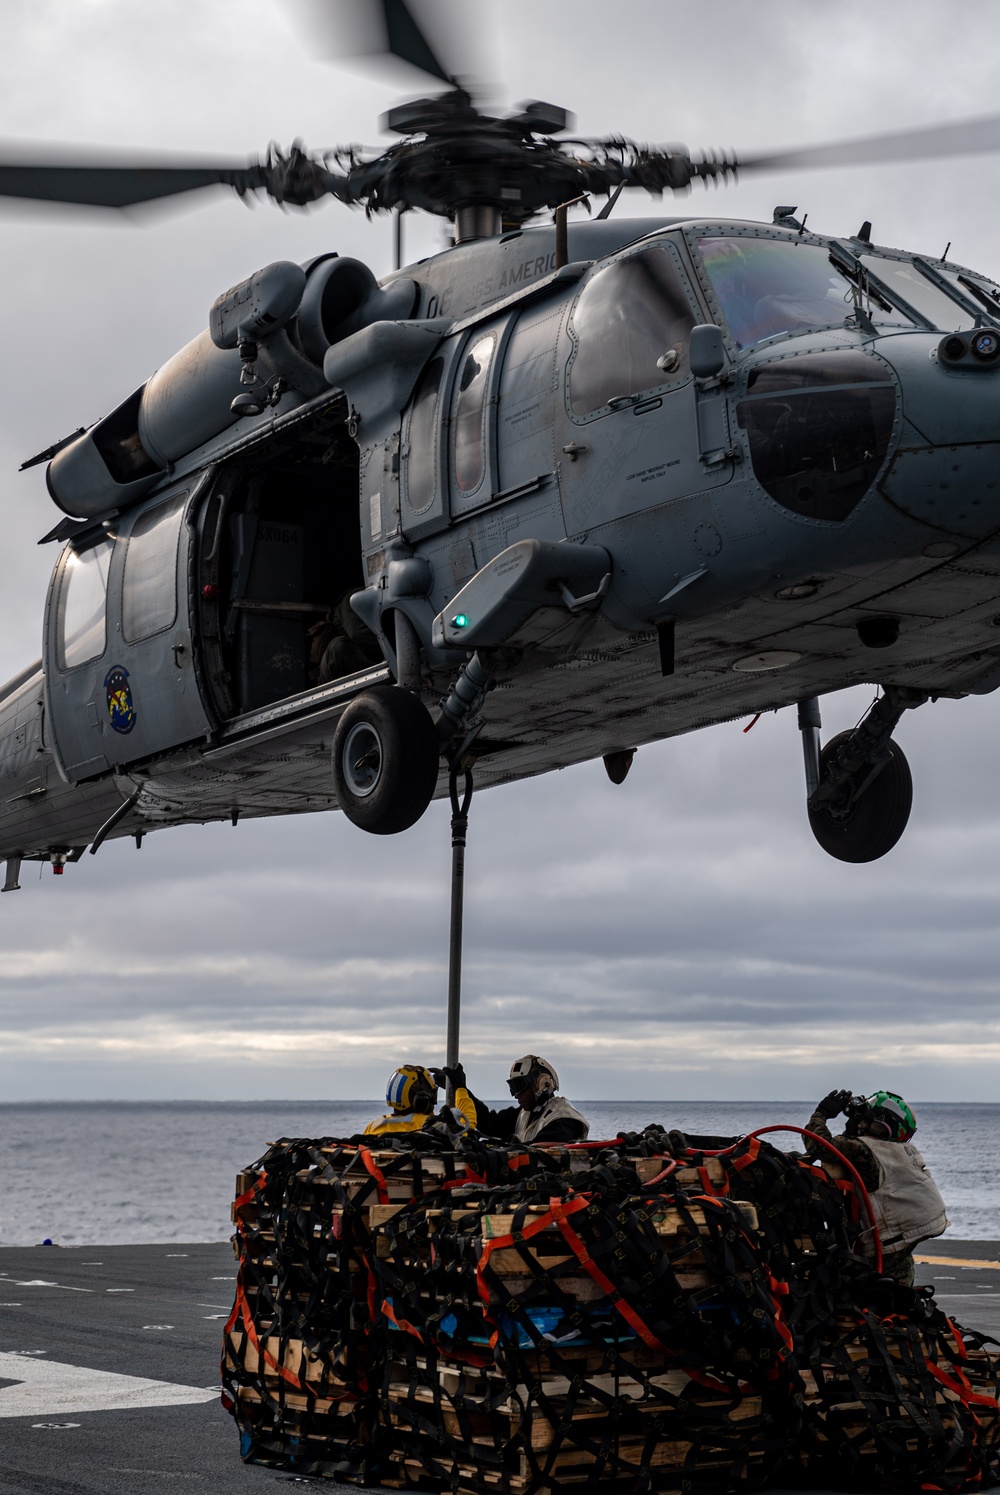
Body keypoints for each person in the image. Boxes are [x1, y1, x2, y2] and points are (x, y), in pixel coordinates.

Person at [804, 1088, 949, 1286]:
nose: (861, 1121)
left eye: (866, 1118)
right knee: (899, 1296)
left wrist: (821, 1114)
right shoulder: (901, 1151)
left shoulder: (861, 1149)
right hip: (906, 1239)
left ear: (880, 1124)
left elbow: (818, 1145)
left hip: (883, 1247)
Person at [463, 1055, 589, 1144]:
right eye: (513, 1088)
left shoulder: (563, 1119)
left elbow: (537, 1151)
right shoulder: (524, 1114)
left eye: (519, 1087)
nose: (516, 1095)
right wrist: (460, 1088)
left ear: (542, 1084)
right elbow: (488, 1122)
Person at [363, 1064, 476, 1137]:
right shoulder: (428, 1125)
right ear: (422, 1101)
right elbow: (466, 1129)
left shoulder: (373, 1127)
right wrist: (460, 1087)